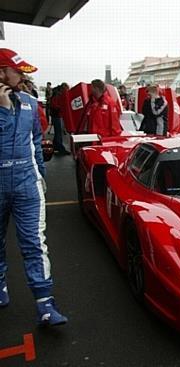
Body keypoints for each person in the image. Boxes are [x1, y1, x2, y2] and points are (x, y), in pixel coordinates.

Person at [0, 48, 68, 326]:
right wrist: (4, 112)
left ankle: (45, 304)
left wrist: (40, 174)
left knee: (34, 244)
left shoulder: (30, 101)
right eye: (18, 71)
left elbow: (36, 143)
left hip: (28, 184)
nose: (23, 75)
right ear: (2, 72)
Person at [49, 83, 70, 154]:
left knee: (58, 132)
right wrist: (63, 108)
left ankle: (55, 146)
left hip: (56, 115)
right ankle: (60, 149)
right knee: (59, 133)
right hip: (57, 115)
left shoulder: (56, 94)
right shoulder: (57, 95)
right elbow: (55, 105)